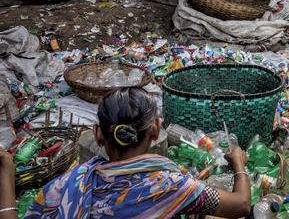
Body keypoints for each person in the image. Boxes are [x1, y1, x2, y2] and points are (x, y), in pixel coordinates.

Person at [0, 88, 250, 218]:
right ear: (155, 131)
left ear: (98, 134)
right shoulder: (169, 186)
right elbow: (241, 205)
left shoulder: (64, 188)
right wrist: (239, 163)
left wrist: (6, 172)